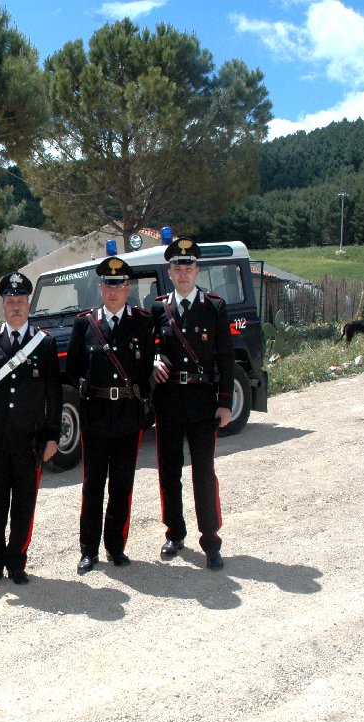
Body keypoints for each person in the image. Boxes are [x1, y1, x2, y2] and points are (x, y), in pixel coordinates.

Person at [0, 270, 62, 587]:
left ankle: (17, 562)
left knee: (24, 506)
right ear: (3, 305)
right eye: (10, 300)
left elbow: (54, 394)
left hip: (29, 442)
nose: (16, 306)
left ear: (28, 304)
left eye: (21, 300)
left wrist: (52, 436)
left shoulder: (44, 344)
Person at [66, 246, 154, 574]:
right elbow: (73, 370)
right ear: (100, 288)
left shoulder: (142, 323)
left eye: (119, 286)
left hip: (127, 417)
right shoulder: (84, 324)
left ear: (128, 288)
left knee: (121, 485)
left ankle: (116, 548)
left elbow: (146, 372)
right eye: (108, 286)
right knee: (92, 486)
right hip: (96, 416)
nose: (113, 292)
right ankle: (88, 550)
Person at [150, 237, 235, 570]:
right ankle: (174, 532)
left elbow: (226, 358)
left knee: (203, 472)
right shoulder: (158, 308)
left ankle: (210, 539)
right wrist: (151, 363)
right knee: (169, 472)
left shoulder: (214, 306)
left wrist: (225, 402)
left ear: (197, 270)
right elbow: (150, 349)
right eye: (177, 267)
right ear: (169, 272)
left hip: (202, 402)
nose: (183, 272)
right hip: (168, 401)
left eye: (188, 266)